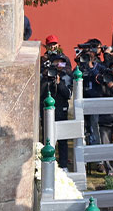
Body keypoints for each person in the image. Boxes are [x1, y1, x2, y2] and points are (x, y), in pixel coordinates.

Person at [39, 35, 73, 168]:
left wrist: (59, 82)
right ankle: (47, 164)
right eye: (50, 45)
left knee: (63, 139)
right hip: (46, 108)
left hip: (61, 107)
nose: (52, 47)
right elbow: (40, 89)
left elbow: (68, 92)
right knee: (47, 137)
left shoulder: (65, 67)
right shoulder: (43, 62)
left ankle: (63, 165)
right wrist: (45, 72)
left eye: (54, 44)